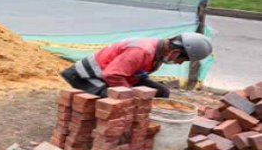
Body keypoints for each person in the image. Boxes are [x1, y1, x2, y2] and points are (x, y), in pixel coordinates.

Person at [60, 33, 213, 98]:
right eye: (183, 60)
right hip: (87, 77)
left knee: (161, 92)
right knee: (124, 100)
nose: (179, 63)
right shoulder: (142, 50)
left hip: (118, 75)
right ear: (175, 51)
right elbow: (113, 75)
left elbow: (136, 72)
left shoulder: (159, 51)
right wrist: (131, 95)